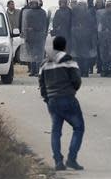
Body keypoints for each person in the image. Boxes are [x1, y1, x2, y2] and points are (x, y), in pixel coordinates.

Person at [39, 36, 84, 171]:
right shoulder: (69, 61)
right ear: (65, 47)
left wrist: (48, 99)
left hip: (52, 101)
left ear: (54, 47)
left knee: (56, 130)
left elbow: (41, 86)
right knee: (78, 127)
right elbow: (77, 80)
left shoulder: (44, 64)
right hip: (68, 99)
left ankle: (58, 162)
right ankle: (71, 159)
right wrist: (71, 91)